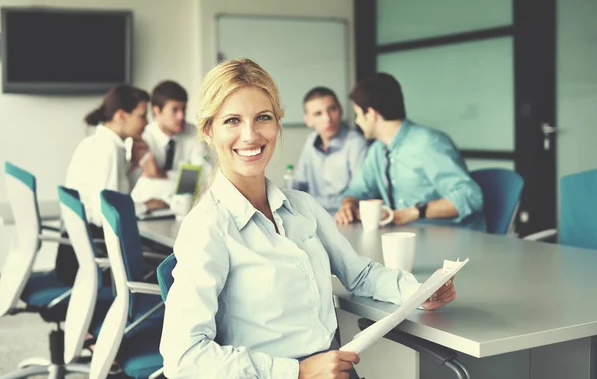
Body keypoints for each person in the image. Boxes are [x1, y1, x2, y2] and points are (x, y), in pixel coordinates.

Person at [160, 59, 457, 378]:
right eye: (232, 120)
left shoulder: (302, 206)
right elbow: (184, 358)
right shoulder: (207, 227)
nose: (250, 135)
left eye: (263, 117)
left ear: (277, 124)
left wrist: (418, 292)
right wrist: (297, 371)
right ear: (208, 130)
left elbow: (359, 275)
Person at [335, 73, 486, 232]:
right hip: (405, 237)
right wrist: (348, 204)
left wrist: (413, 212)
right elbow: (358, 189)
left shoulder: (428, 143)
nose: (357, 121)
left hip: (451, 238)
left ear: (372, 114)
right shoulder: (377, 150)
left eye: (358, 114)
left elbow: (470, 196)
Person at [60, 85, 167, 285]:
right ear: (121, 115)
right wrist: (144, 206)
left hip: (78, 253)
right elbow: (106, 214)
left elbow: (116, 195)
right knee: (167, 259)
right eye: (142, 116)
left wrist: (134, 164)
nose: (146, 123)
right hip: (95, 256)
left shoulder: (100, 143)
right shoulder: (108, 150)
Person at [294, 87, 368, 213]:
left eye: (332, 109)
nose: (328, 119)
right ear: (308, 120)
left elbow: (360, 191)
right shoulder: (311, 140)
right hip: (315, 215)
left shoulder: (356, 142)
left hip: (346, 216)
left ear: (341, 110)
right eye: (318, 114)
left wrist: (312, 201)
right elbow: (298, 182)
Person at [137, 80, 214, 184]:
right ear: (157, 111)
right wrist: (185, 175)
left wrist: (162, 175)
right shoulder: (143, 137)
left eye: (183, 109)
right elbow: (142, 182)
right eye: (175, 110)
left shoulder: (194, 133)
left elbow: (205, 175)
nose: (181, 116)